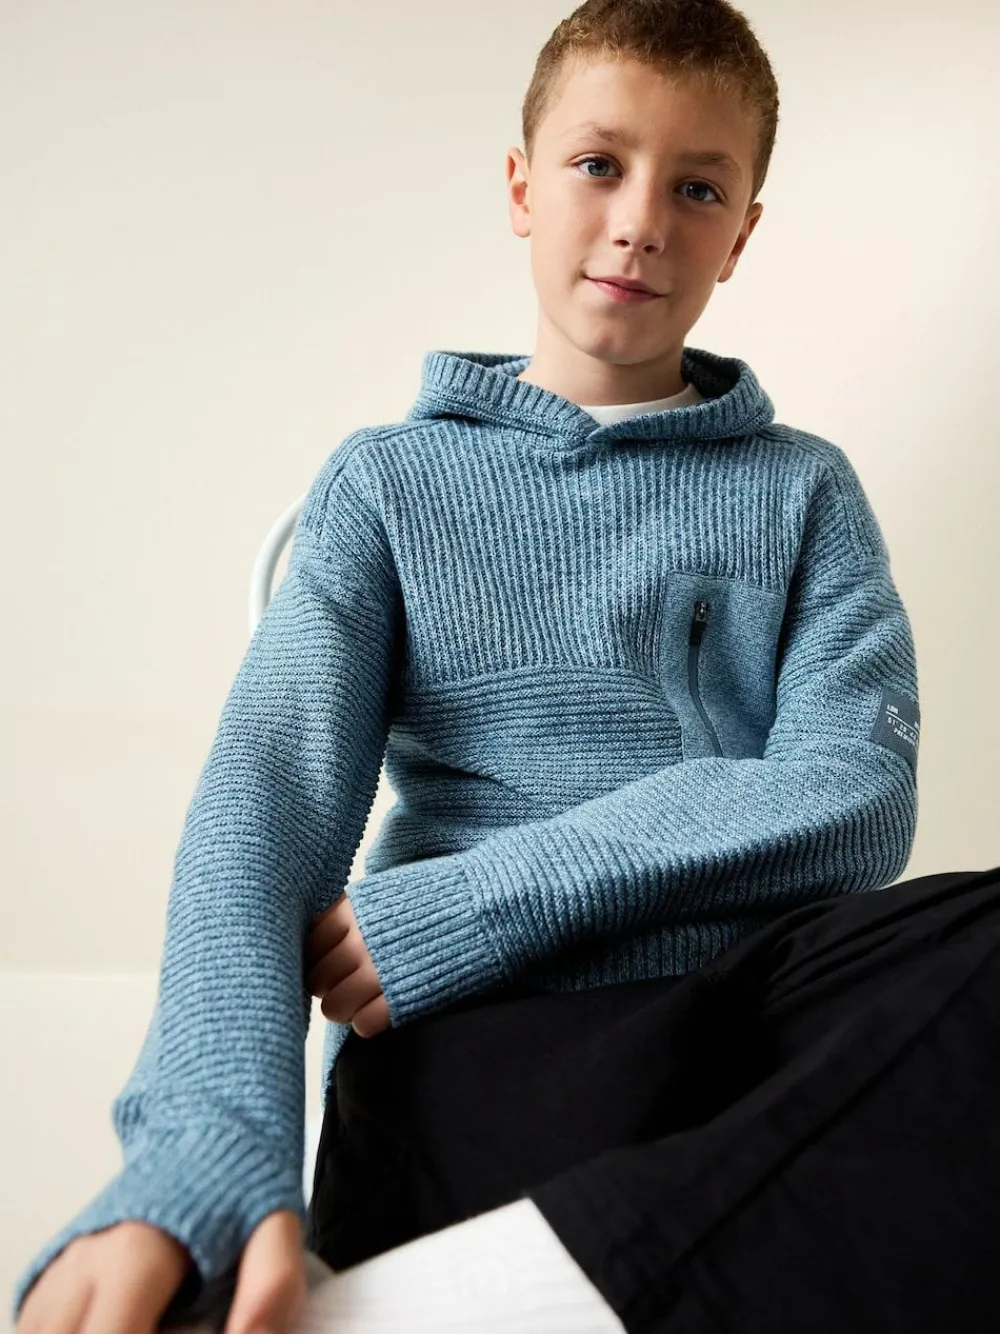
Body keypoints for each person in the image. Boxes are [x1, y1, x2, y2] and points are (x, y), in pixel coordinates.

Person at [13, 1, 1000, 1332]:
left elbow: (854, 795)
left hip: (752, 1001)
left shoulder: (804, 489)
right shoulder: (387, 484)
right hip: (490, 1026)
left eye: (697, 187)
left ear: (742, 233)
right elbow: (267, 799)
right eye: (600, 164)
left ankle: (467, 1299)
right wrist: (201, 1141)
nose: (642, 220)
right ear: (523, 188)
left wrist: (489, 895)